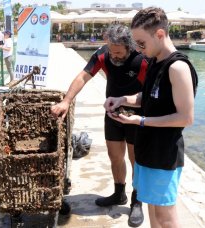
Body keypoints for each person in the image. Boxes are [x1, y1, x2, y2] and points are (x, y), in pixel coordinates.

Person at [104, 7, 198, 228]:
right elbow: (148, 98)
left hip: (164, 154)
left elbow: (186, 118)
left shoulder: (178, 68)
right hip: (148, 151)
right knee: (152, 210)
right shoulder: (155, 62)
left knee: (165, 216)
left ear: (159, 35)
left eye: (141, 43)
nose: (138, 48)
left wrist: (141, 121)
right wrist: (122, 100)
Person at [51, 24, 148, 227]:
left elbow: (149, 94)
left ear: (129, 46)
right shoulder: (103, 55)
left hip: (136, 117)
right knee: (115, 157)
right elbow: (83, 76)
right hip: (112, 114)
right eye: (111, 50)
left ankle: (136, 201)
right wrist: (66, 101)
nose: (114, 55)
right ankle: (119, 193)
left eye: (119, 52)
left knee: (135, 160)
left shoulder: (140, 59)